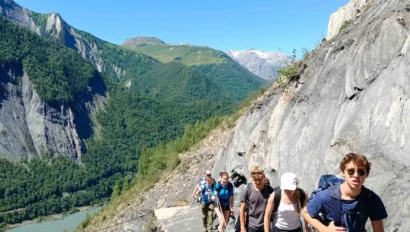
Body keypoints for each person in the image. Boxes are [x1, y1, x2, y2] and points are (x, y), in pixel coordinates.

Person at [302, 153, 388, 232]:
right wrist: (324, 229)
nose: (356, 175)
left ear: (367, 174)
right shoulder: (327, 196)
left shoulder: (372, 199)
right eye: (351, 171)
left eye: (361, 172)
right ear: (343, 172)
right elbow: (305, 212)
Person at [240, 166, 274, 232]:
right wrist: (242, 227)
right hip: (251, 226)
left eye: (260, 180)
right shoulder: (247, 190)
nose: (257, 182)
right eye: (255, 180)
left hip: (265, 225)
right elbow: (242, 209)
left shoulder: (269, 190)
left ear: (263, 177)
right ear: (252, 178)